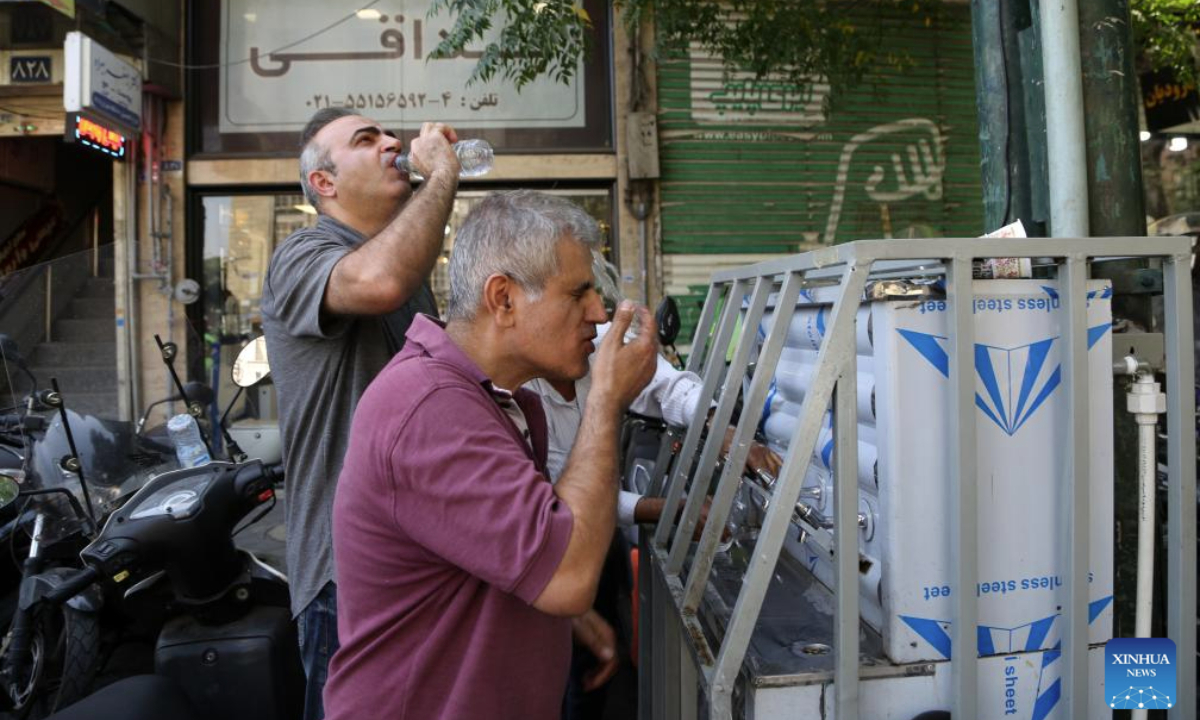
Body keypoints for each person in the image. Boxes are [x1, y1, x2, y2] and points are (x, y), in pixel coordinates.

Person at [325, 190, 658, 720]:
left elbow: (498, 547)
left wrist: (553, 619)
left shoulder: (493, 399)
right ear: (503, 299)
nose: (597, 313)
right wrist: (606, 401)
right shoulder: (429, 405)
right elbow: (567, 579)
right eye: (578, 293)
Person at [259, 108, 460, 720]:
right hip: (346, 579)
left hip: (422, 559)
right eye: (366, 140)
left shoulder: (407, 269)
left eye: (388, 135)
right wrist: (443, 176)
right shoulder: (302, 253)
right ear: (324, 183)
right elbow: (378, 285)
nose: (393, 144)